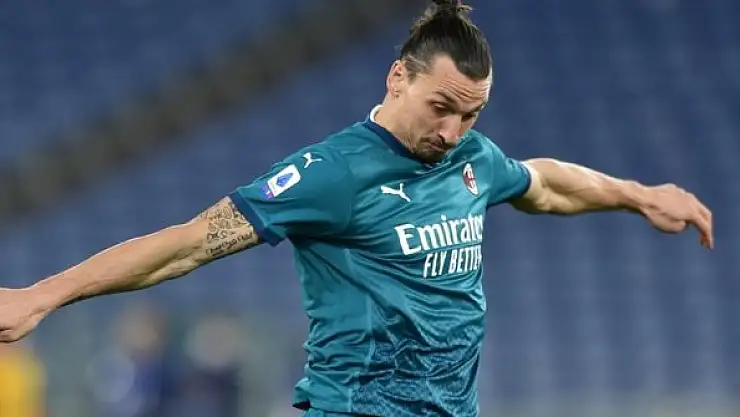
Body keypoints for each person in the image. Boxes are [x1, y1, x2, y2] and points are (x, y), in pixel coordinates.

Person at [0, 0, 713, 416]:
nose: (452, 132)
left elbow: (545, 183)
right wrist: (45, 293)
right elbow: (190, 243)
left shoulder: (469, 157)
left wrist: (638, 194)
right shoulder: (332, 174)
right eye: (441, 107)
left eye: (470, 114)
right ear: (398, 77)